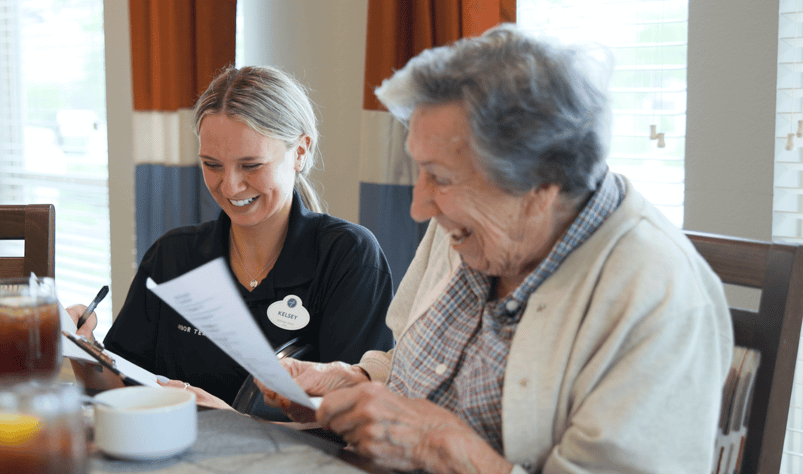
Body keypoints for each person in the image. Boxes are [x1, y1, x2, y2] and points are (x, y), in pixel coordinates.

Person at [257, 24, 733, 473]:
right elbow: (415, 365)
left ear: (539, 188)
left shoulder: (659, 299)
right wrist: (356, 382)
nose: (420, 207)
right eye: (420, 171)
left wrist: (440, 447)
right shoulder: (474, 230)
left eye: (440, 179)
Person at [68, 65, 395, 410]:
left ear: (299, 152)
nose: (230, 186)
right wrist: (82, 348)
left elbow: (353, 422)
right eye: (212, 165)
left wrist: (231, 422)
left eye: (251, 165)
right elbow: (120, 395)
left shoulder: (348, 257)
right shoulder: (172, 256)